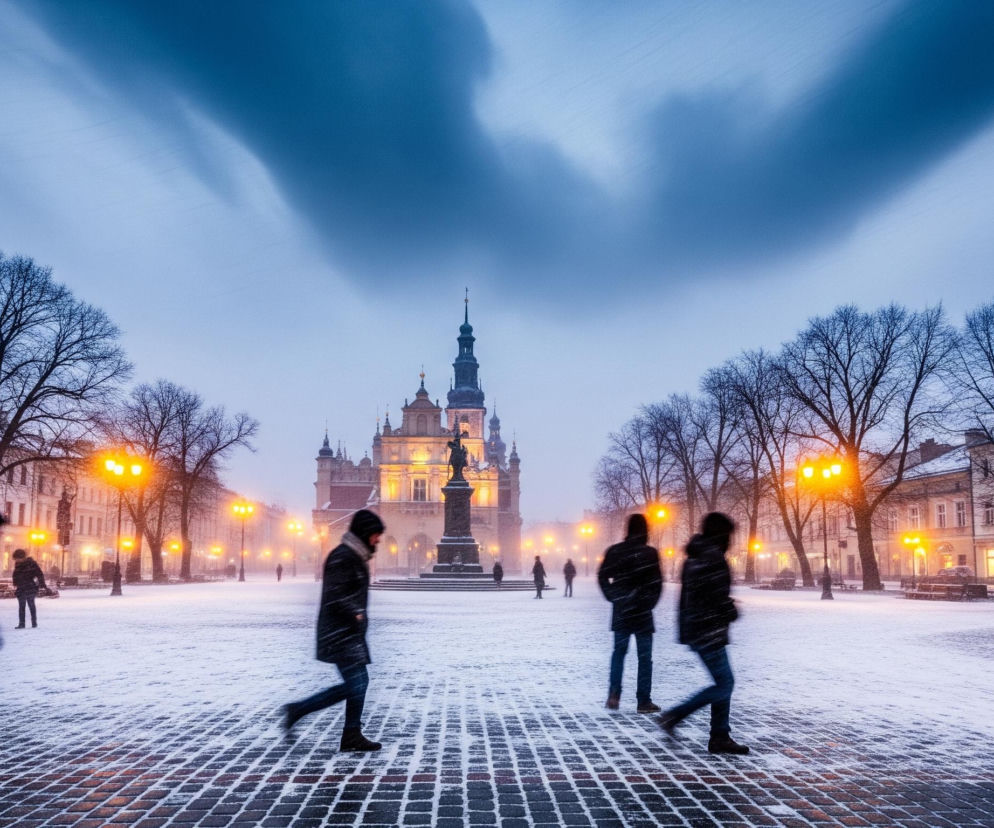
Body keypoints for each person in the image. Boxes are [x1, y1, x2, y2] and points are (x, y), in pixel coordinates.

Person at [282, 509, 385, 752]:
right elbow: (335, 593)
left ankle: (351, 734)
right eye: (375, 534)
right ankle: (298, 710)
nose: (378, 539)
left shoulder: (355, 556)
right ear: (364, 533)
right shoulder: (343, 556)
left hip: (349, 632)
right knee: (356, 684)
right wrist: (355, 612)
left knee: (360, 682)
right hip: (340, 632)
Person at [658, 512, 749, 755]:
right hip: (709, 628)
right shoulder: (713, 558)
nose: (732, 540)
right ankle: (676, 715)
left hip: (697, 627)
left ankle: (720, 736)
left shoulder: (695, 556)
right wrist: (731, 611)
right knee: (725, 684)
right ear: (721, 535)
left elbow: (697, 594)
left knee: (723, 682)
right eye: (730, 535)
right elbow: (715, 597)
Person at [597, 514, 662, 713]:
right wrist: (649, 602)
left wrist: (614, 596)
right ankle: (643, 701)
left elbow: (602, 576)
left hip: (622, 610)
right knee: (645, 658)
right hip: (642, 611)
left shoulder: (616, 551)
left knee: (619, 654)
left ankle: (614, 695)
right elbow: (657, 583)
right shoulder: (649, 553)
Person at [12, 548, 47, 629]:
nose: (16, 560)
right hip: (21, 588)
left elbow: (39, 574)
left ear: (22, 557)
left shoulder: (31, 563)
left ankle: (34, 623)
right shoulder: (17, 564)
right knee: (21, 606)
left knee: (31, 605)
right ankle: (22, 623)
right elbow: (16, 574)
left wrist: (42, 584)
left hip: (30, 587)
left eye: (17, 558)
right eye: (15, 558)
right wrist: (15, 582)